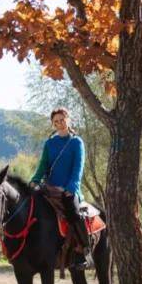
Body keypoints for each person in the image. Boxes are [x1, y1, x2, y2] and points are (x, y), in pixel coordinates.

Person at [30, 107, 90, 267]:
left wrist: (72, 187)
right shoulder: (49, 143)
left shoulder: (77, 142)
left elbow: (78, 167)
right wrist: (35, 180)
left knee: (74, 212)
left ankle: (82, 251)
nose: (59, 123)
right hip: (50, 189)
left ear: (68, 119)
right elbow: (43, 165)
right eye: (56, 121)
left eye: (62, 120)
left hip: (69, 189)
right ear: (53, 124)